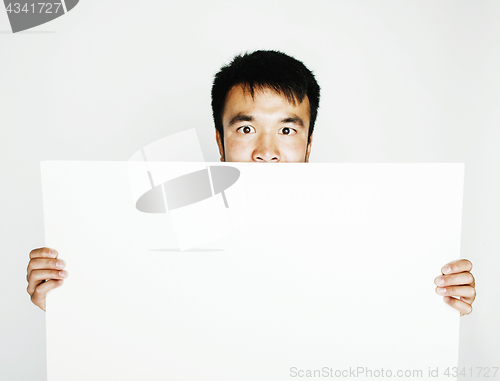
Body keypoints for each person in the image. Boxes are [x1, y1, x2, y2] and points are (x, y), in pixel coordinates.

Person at [26, 50, 476, 316]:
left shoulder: (365, 234)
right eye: (245, 129)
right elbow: (137, 323)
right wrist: (67, 304)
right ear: (220, 142)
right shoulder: (172, 231)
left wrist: (438, 301)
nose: (266, 150)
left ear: (308, 143)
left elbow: (382, 322)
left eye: (286, 129)